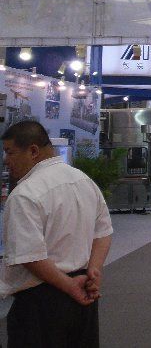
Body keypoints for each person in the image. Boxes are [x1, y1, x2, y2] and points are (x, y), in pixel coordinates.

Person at [1, 120, 113, 348]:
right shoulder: (83, 181)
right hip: (83, 295)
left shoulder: (25, 194)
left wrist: (70, 285)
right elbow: (103, 232)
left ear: (33, 151)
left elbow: (30, 256)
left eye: (10, 152)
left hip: (41, 301)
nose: (6, 160)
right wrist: (93, 270)